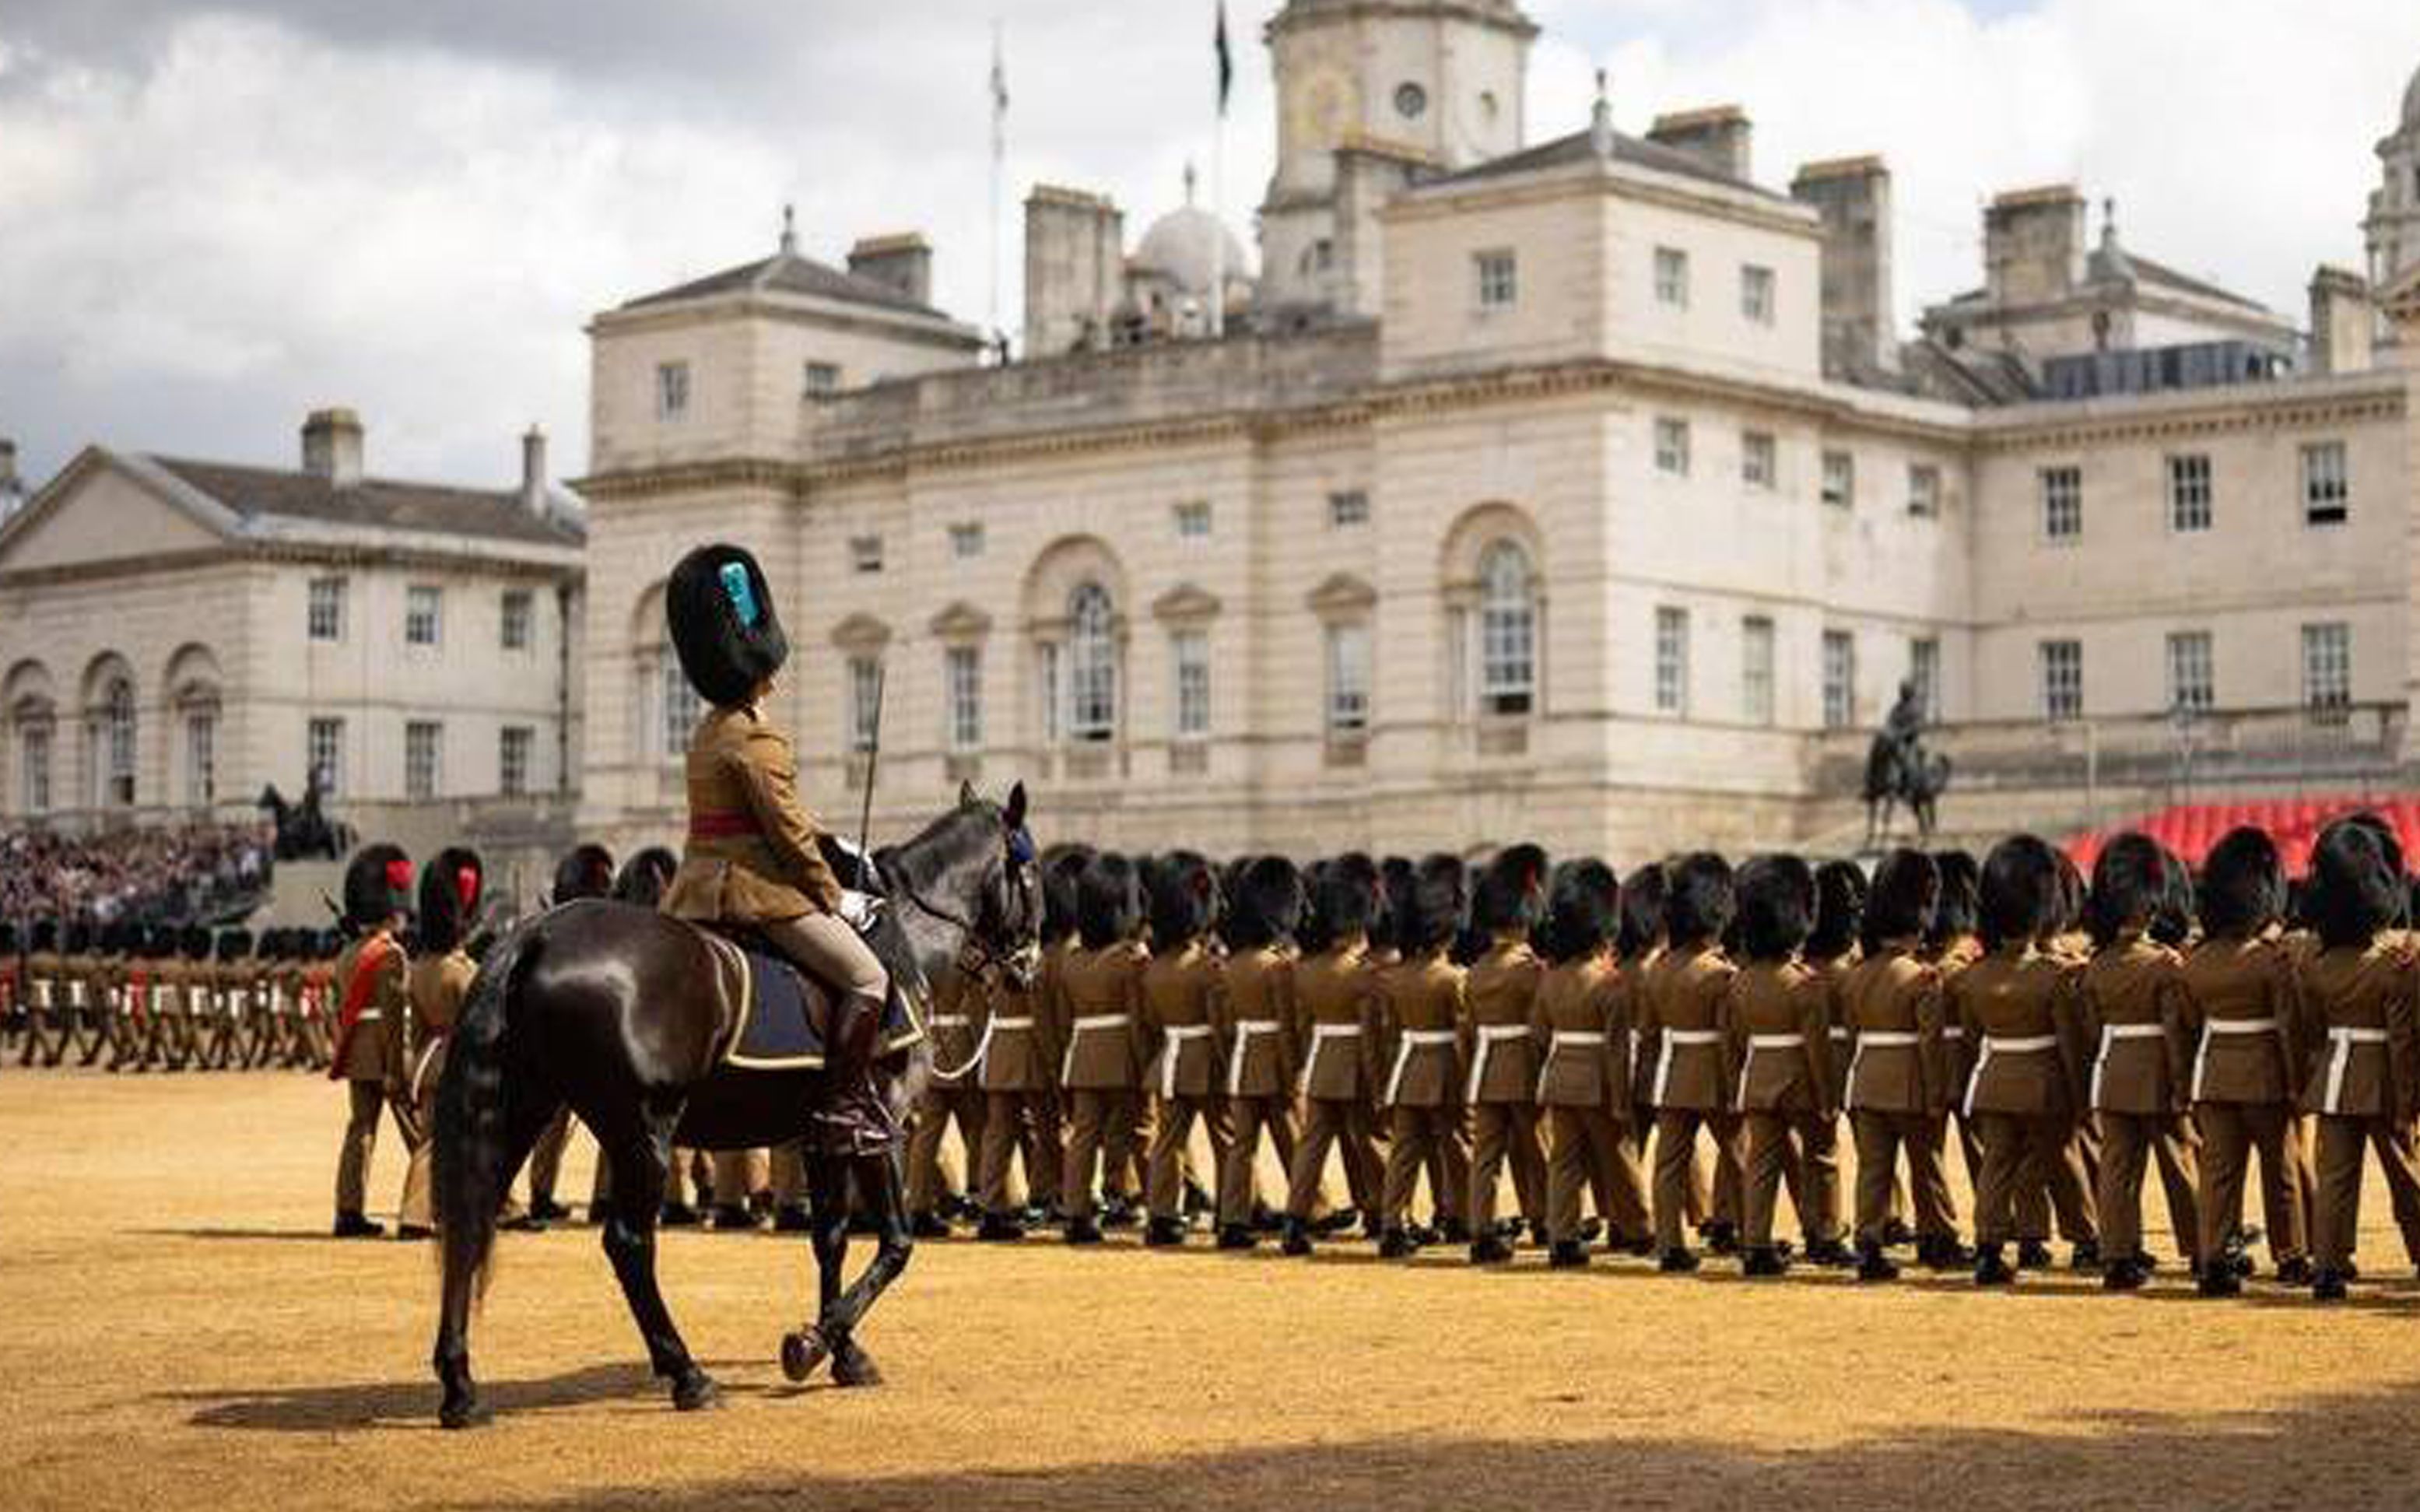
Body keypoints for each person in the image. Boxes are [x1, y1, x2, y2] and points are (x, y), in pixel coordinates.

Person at [657, 542, 894, 1162]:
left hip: (694, 890)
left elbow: (769, 819)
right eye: (770, 670)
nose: (776, 679)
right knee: (869, 976)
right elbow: (785, 836)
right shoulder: (757, 737)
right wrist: (837, 895)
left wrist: (833, 840)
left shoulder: (709, 731)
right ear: (755, 667)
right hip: (755, 892)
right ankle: (841, 1107)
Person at [1951, 836, 2096, 1286]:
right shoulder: (2054, 977)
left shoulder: (1973, 978)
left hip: (1993, 1083)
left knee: (1998, 1166)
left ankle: (1990, 1247)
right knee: (2062, 1162)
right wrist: (2079, 1092)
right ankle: (2086, 1239)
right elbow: (2069, 1043)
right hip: (2044, 1085)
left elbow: (1974, 1042)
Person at [2180, 826, 2311, 1294]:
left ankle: (2214, 1259)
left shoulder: (2194, 963)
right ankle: (2291, 1255)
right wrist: (2299, 1085)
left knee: (2218, 1174)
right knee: (2281, 1171)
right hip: (2265, 1079)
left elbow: (2188, 1029)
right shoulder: (2271, 961)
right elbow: (2288, 1028)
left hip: (2213, 1077)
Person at [2293, 820, 2420, 1301]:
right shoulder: (2393, 968)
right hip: (2383, 1079)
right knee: (2406, 1175)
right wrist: (2410, 1099)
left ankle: (2328, 1265)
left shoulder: (2316, 965)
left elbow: (2309, 1029)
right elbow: (2404, 1043)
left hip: (2334, 1078)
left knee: (2335, 1180)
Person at [2075, 834, 2201, 1291]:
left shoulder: (2096, 966)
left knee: (2117, 1169)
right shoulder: (2165, 965)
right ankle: (2202, 1249)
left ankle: (2117, 1255)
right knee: (2178, 1163)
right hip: (2156, 1073)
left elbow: (2090, 1029)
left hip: (2112, 1072)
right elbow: (2175, 1030)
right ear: (2150, 905)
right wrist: (2183, 1083)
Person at [1839, 850, 1962, 1280]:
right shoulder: (1923, 978)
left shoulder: (1855, 976)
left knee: (1874, 1169)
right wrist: (1936, 1093)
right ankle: (1939, 1238)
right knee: (1926, 1164)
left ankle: (1868, 1243)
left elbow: (1853, 1036)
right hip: (1910, 1083)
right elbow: (1929, 1046)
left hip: (1866, 1081)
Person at [1531, 859, 1642, 1268]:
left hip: (1560, 1079)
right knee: (1617, 1157)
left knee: (1565, 1162)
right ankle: (1639, 1227)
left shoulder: (1550, 979)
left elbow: (1539, 1035)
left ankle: (1563, 1237)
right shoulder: (1610, 984)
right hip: (1597, 1082)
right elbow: (1617, 1051)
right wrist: (1620, 1098)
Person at [1282, 854, 1387, 1255]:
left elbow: (1302, 1025)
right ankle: (1384, 1215)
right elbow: (1372, 1038)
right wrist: (1379, 1083)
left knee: (1312, 1146)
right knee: (1372, 1142)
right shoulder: (1364, 974)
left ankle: (1296, 1219)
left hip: (1321, 1065)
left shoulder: (1306, 970)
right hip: (1356, 1068)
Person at [1640, 853, 1740, 1273]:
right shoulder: (1721, 974)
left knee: (1669, 1163)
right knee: (1740, 1155)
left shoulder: (1656, 970)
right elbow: (1732, 1037)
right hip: (1715, 1075)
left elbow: (1648, 1033)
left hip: (1671, 1072)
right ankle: (1748, 1235)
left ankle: (1669, 1243)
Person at [1375, 855, 1471, 1258]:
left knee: (1405, 1151)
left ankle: (1393, 1222)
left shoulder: (1394, 978)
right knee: (1458, 1146)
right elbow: (1464, 1036)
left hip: (1406, 1069)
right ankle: (1461, 1216)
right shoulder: (1454, 978)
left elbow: (1390, 1034)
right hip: (1445, 1069)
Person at [1056, 852, 1149, 1245]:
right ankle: (1156, 1204)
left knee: (1084, 1136)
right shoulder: (1130, 961)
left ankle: (1078, 1211)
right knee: (1142, 1130)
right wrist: (1147, 1062)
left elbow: (1062, 1021)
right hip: (1123, 1056)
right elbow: (1140, 1018)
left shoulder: (1072, 962)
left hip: (1082, 1057)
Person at [1462, 845, 1550, 1262]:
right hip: (1524, 1069)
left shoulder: (1476, 970)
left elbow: (1470, 1029)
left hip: (1485, 1069)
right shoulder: (1531, 971)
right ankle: (1549, 1220)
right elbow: (1540, 1027)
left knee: (1487, 1156)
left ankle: (1481, 1228)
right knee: (1538, 1149)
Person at [1138, 853, 1229, 1248]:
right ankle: (1232, 1213)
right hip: (1206, 1061)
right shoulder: (1210, 969)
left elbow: (1148, 1024)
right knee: (1226, 1139)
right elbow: (1221, 1025)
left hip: (1169, 1062)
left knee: (1168, 1143)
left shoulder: (1152, 969)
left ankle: (1162, 1216)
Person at [1217, 857, 1304, 1252]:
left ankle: (1233, 1218)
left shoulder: (1228, 967)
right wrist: (1293, 1068)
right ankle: (1309, 1209)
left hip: (1241, 1060)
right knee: (1294, 1137)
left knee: (1241, 1145)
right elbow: (1288, 1025)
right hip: (1272, 1061)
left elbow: (1222, 1024)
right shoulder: (1279, 969)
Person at [329, 844, 413, 1239]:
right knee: (418, 1133)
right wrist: (399, 1067)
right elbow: (396, 1019)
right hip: (383, 1050)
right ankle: (430, 1206)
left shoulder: (347, 954)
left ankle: (349, 1209)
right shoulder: (390, 955)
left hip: (356, 1052)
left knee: (360, 1130)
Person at [398, 847, 482, 1241]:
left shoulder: (419, 968)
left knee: (458, 1140)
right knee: (437, 1142)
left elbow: (416, 1029)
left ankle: (487, 1206)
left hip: (430, 1060)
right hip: (457, 1062)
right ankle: (416, 1215)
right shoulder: (459, 971)